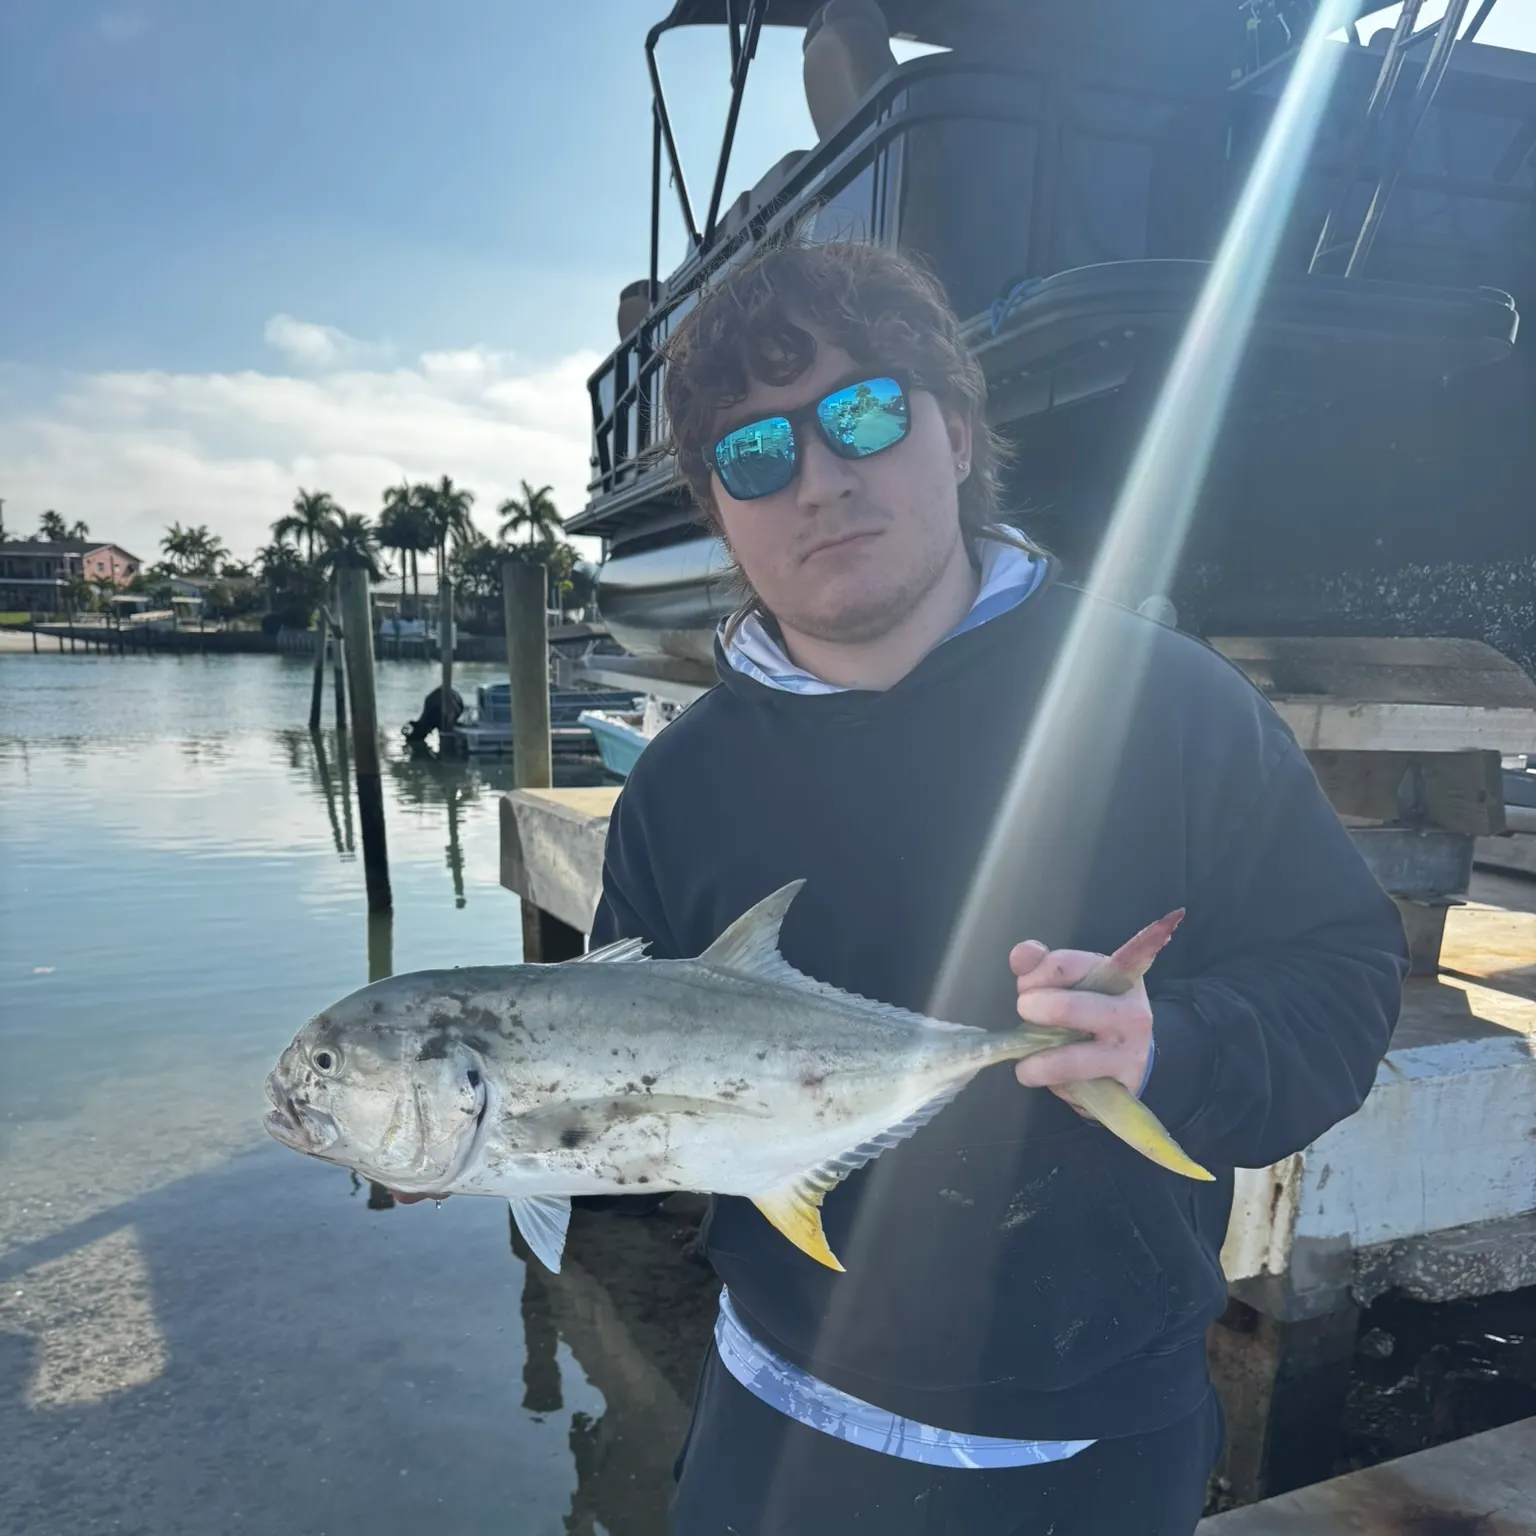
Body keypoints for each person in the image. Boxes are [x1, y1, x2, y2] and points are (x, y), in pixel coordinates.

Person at [586, 237, 1409, 1536]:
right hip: (769, 1426)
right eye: (756, 454)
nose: (819, 479)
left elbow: (1346, 985)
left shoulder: (1169, 706)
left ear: (958, 433)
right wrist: (456, 1128)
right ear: (720, 511)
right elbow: (610, 1073)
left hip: (1084, 1448)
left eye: (862, 413)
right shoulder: (678, 788)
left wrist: (1170, 1046)